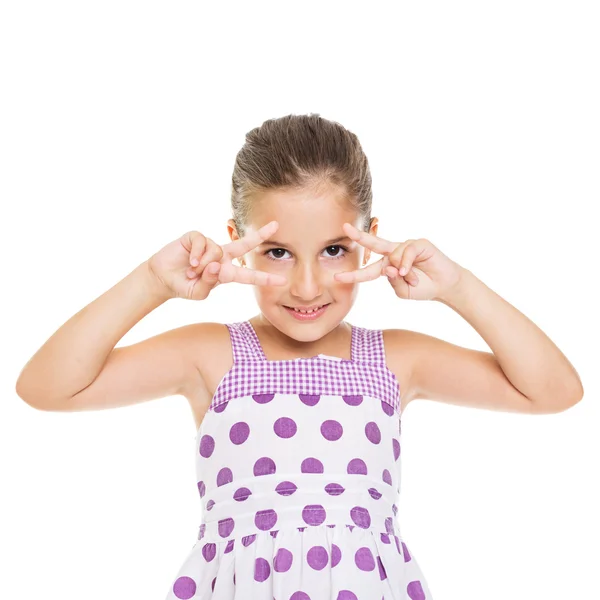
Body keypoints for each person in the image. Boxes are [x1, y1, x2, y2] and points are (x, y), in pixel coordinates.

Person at [15, 113, 584, 600]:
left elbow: (553, 390)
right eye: (278, 252)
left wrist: (457, 286)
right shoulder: (211, 355)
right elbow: (47, 386)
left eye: (334, 250)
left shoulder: (394, 361)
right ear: (237, 238)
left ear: (371, 238)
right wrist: (151, 283)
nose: (308, 287)